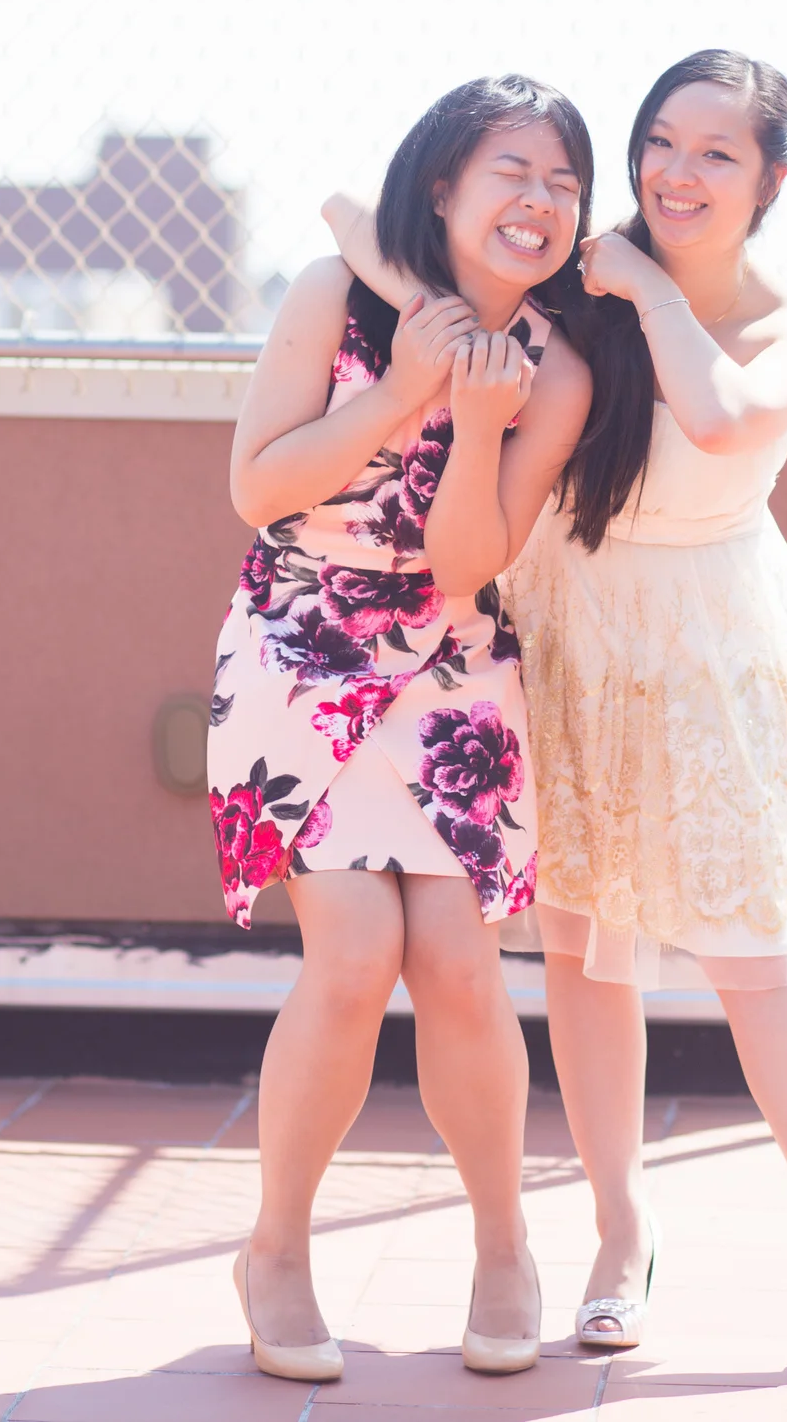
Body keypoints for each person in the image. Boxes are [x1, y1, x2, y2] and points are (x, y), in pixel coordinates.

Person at [327, 49, 787, 1380]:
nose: (677, 173)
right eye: (660, 143)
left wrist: (643, 283)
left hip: (714, 646)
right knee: (586, 953)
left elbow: (717, 415)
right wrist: (440, 306)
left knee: (761, 961)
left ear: (772, 179)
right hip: (572, 625)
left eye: (717, 153)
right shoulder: (576, 277)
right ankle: (619, 1234)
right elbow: (357, 224)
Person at [213, 74, 596, 1380]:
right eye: (512, 172)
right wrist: (399, 392)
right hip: (302, 641)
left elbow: (468, 564)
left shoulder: (556, 371)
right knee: (355, 950)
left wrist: (476, 424)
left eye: (562, 182)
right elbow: (257, 487)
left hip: (450, 661)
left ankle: (504, 1245)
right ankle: (275, 1249)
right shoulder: (337, 295)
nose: (539, 202)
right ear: (442, 187)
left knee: (459, 962)